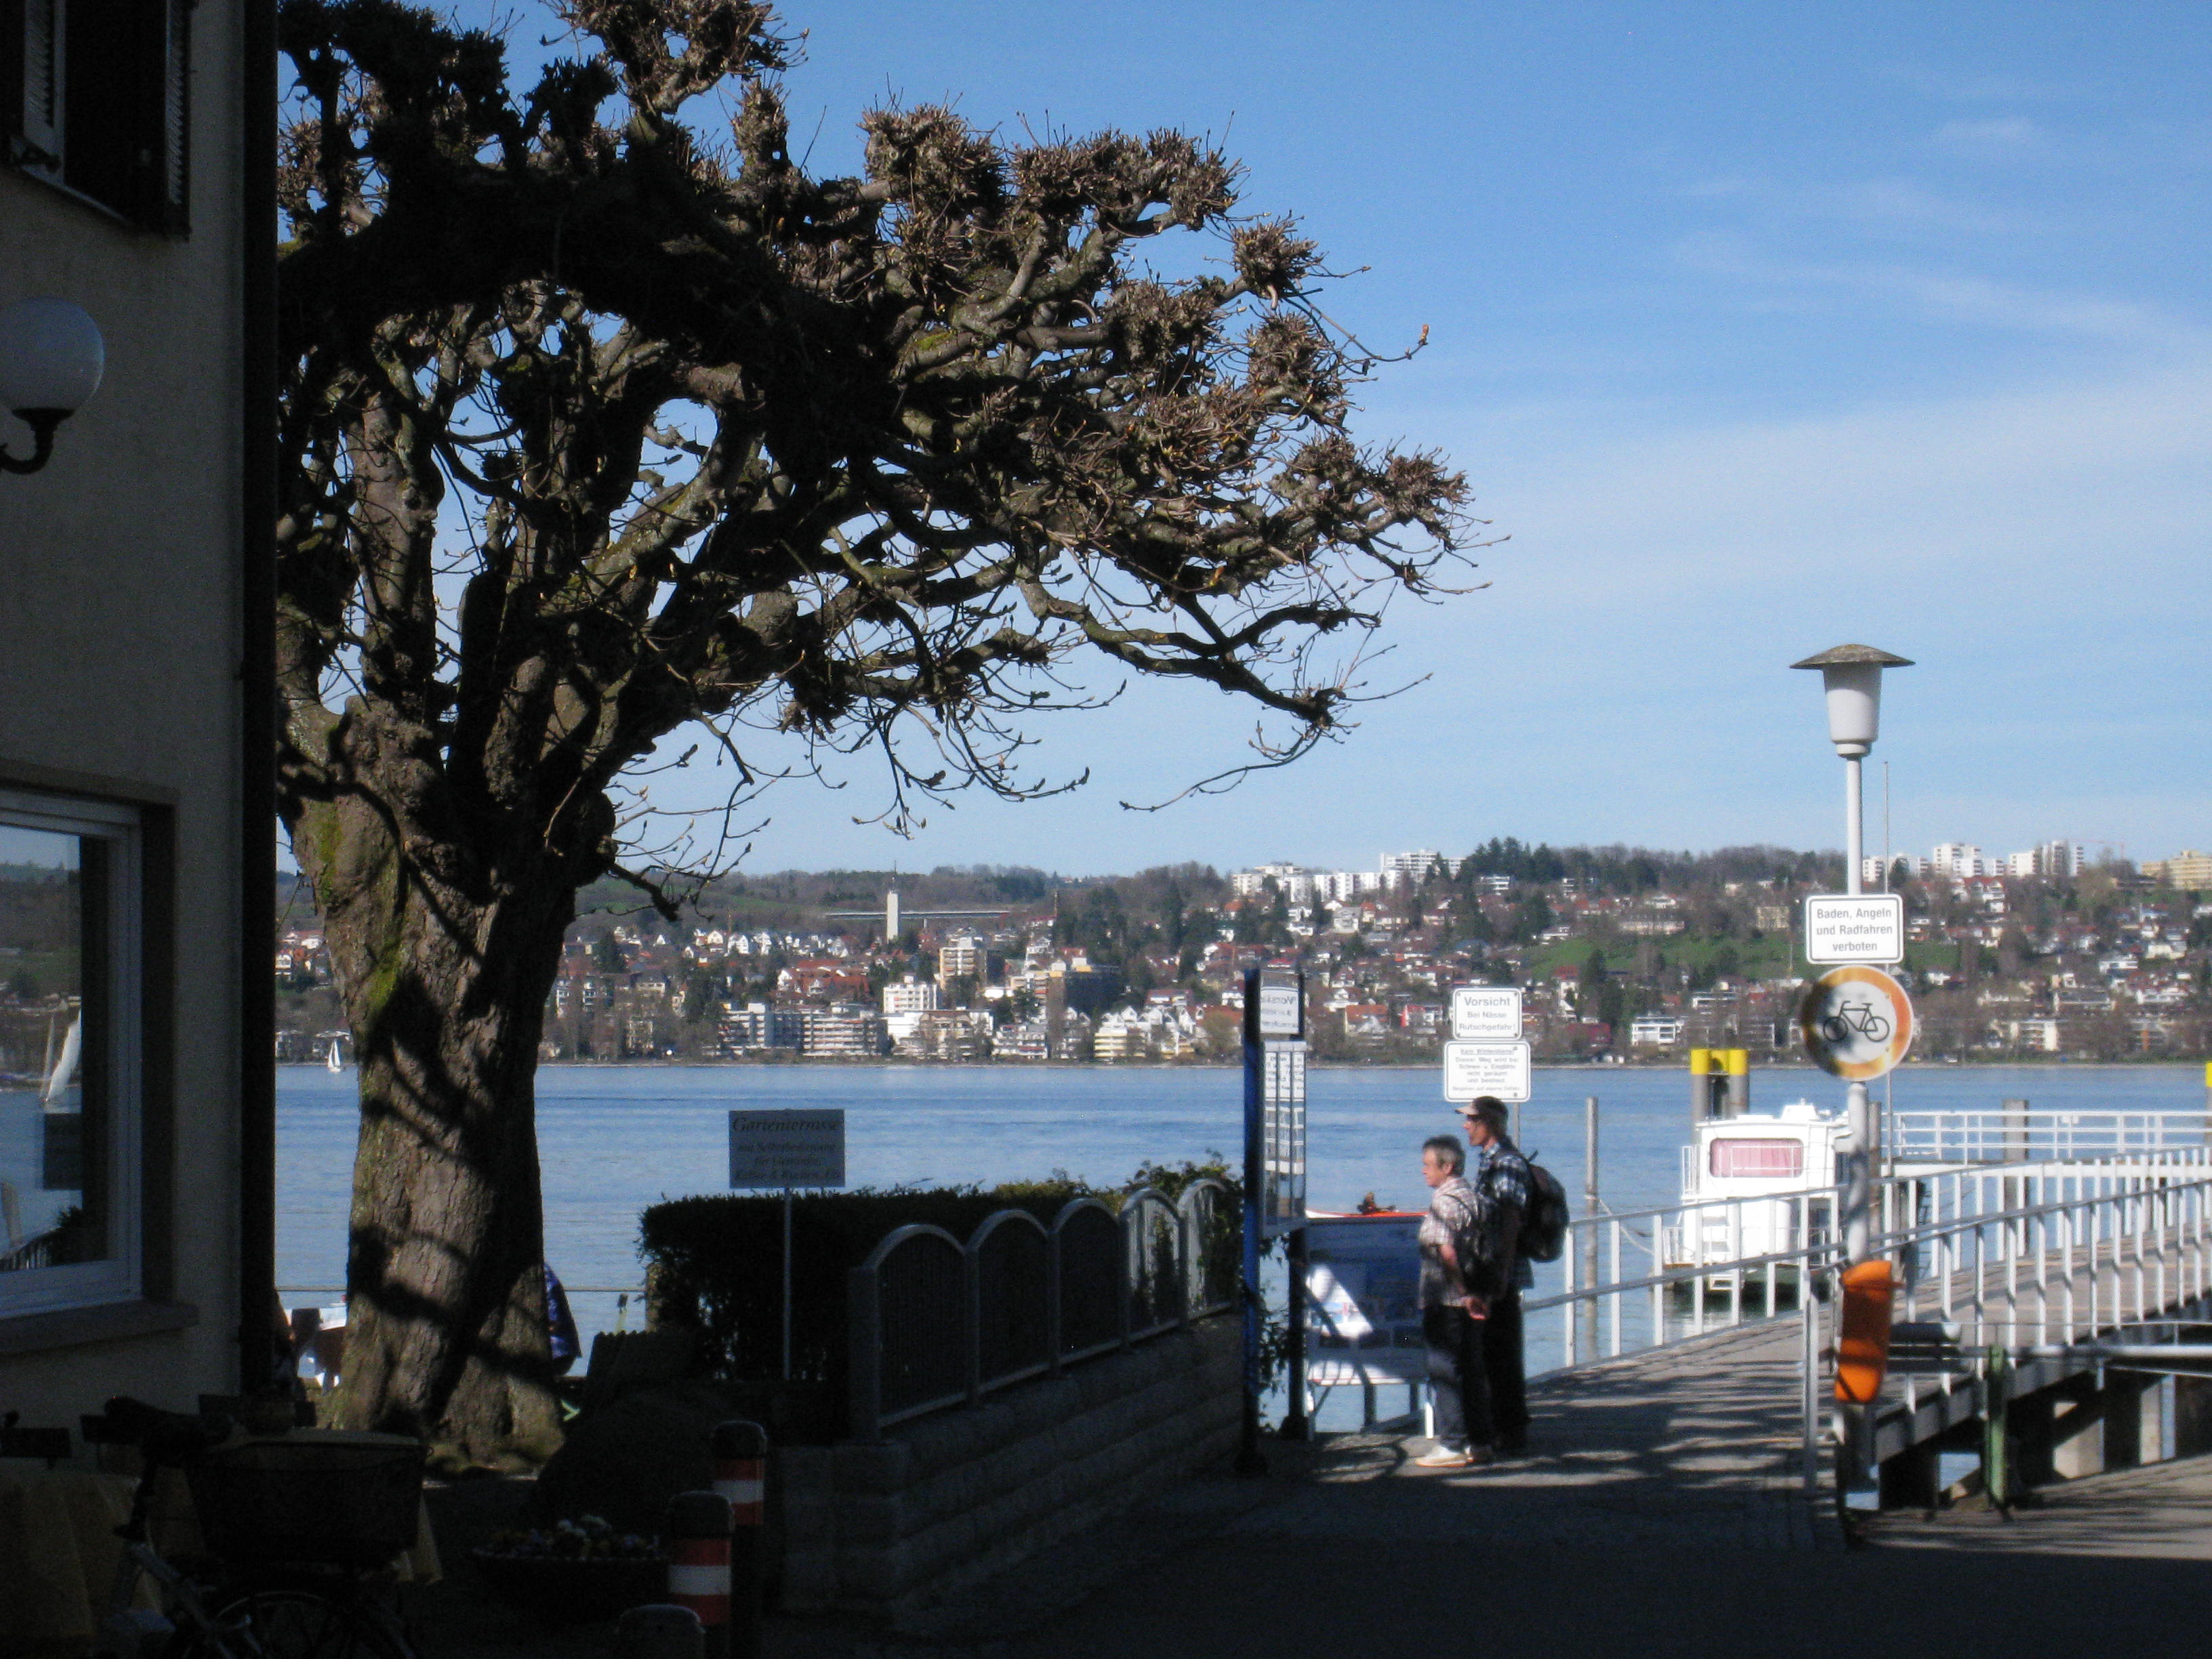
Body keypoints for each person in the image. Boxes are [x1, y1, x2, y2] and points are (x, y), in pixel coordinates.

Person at [1413, 1132, 1495, 1469]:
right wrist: (1478, 1294)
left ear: (1447, 1167)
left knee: (1444, 1369)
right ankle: (1480, 1441)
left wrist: (1461, 1291)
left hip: (1448, 1300)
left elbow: (1446, 1251)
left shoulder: (1444, 1203)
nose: (1423, 1171)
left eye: (1427, 1165)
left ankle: (1451, 1443)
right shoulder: (1476, 1199)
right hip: (1475, 1297)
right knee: (1473, 1369)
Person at [1458, 1095, 1532, 1455]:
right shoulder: (1489, 1163)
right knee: (1490, 1352)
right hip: (1489, 1270)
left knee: (1501, 1352)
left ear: (1491, 1123)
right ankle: (1498, 1426)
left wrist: (1501, 1274)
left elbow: (1509, 1221)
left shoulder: (1507, 1164)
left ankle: (1511, 1430)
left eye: (1473, 1120)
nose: (1466, 1126)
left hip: (1500, 1272)